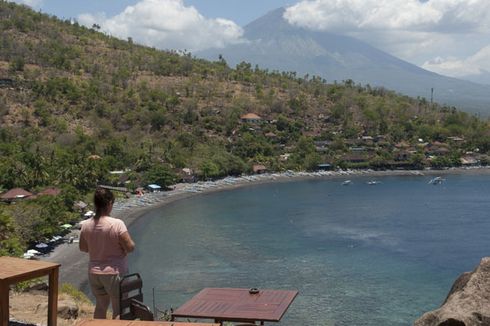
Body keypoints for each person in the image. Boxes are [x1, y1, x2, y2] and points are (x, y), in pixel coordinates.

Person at [79, 187, 135, 319]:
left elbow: (83, 248)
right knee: (119, 308)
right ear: (109, 203)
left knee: (101, 305)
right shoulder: (116, 224)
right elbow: (130, 247)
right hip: (114, 272)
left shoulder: (86, 225)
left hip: (94, 272)